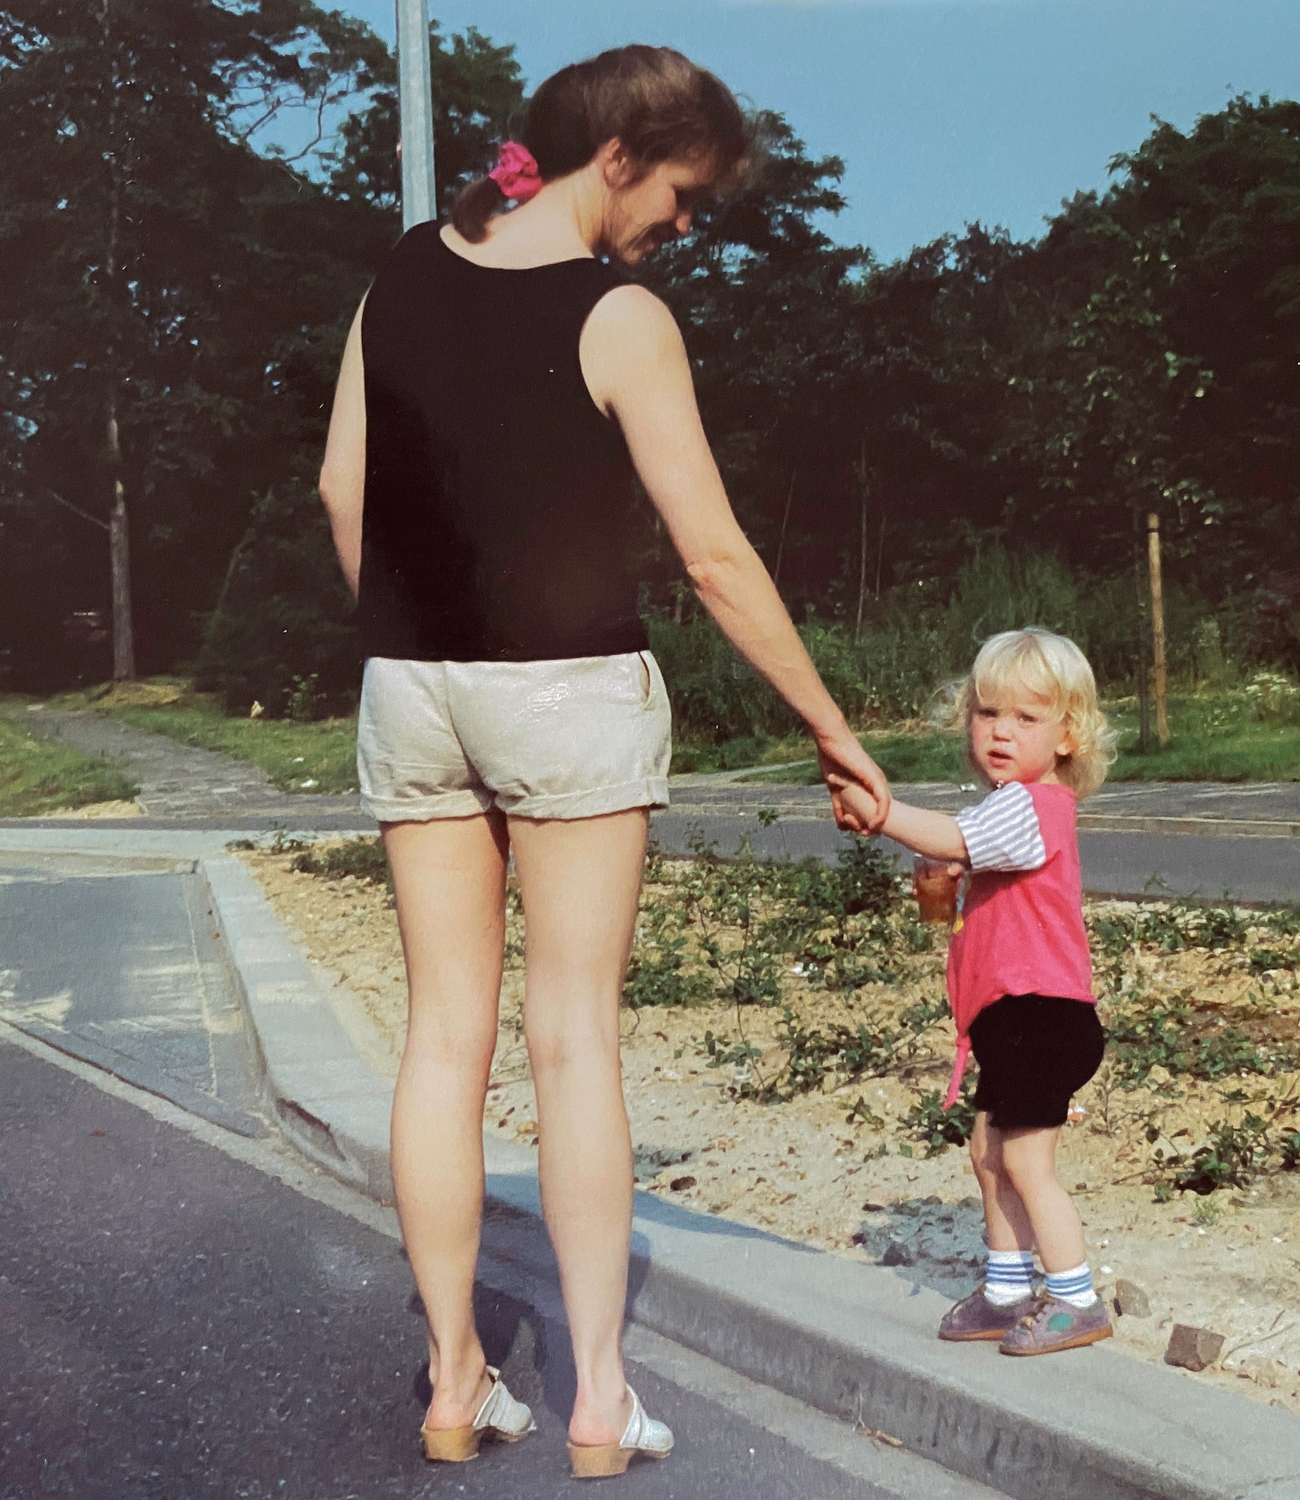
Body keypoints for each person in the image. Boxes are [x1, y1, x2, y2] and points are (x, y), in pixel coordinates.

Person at [317, 44, 892, 1478]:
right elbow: (711, 552)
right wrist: (832, 727)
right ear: (621, 156)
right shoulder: (619, 315)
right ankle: (594, 1401)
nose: (684, 229)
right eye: (685, 196)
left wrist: (417, 639)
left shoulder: (399, 273)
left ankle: (453, 1384)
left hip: (411, 688)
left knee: (441, 1036)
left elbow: (342, 486)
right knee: (571, 1038)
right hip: (567, 692)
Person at [830, 627, 1117, 1356]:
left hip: (1044, 1016)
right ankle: (1006, 1285)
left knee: (1024, 1161)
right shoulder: (1011, 806)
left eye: (1026, 719)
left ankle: (1076, 1298)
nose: (1000, 732)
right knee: (988, 1155)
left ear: (1067, 735)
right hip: (1011, 1018)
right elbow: (969, 847)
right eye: (988, 713)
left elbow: (958, 837)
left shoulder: (1037, 806)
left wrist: (881, 813)